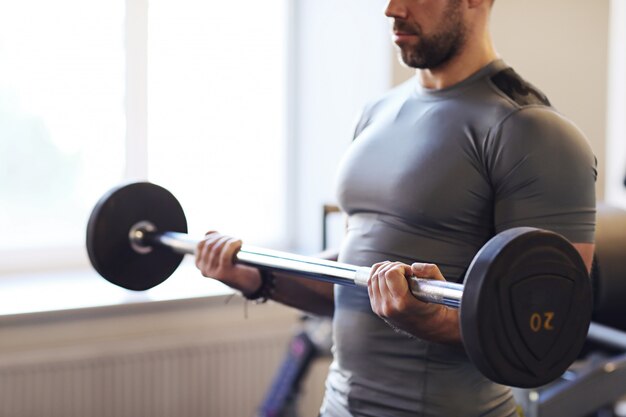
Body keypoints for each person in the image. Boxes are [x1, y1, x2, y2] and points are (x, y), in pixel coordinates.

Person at [195, 0, 597, 415]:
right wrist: (260, 278)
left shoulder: (533, 131)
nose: (391, 8)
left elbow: (548, 325)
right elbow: (355, 275)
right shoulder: (376, 114)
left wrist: (429, 321)